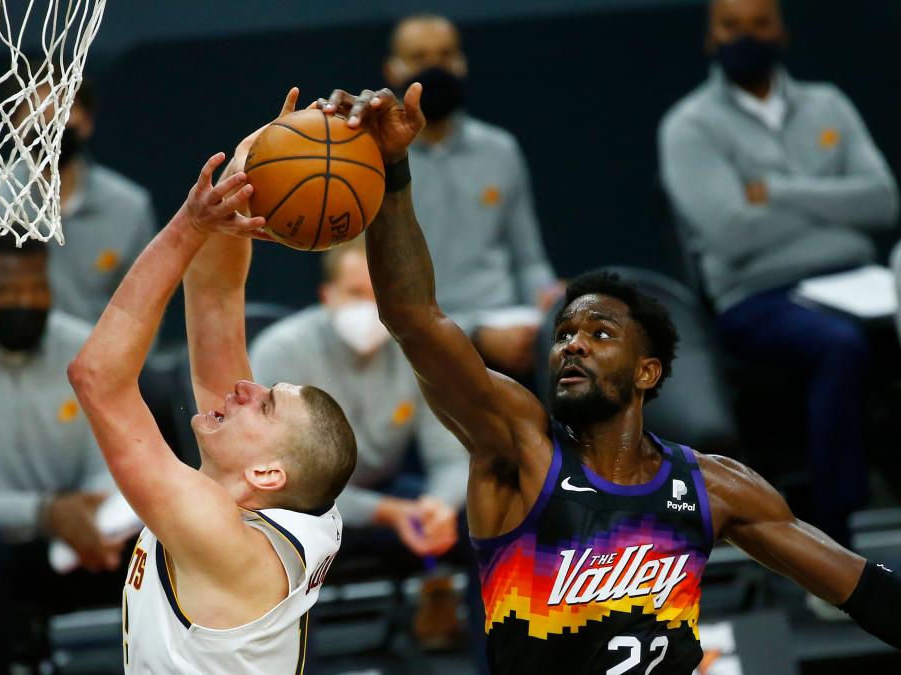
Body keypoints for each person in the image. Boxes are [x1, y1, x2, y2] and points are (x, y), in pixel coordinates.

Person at [315, 84, 901, 673]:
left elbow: (863, 590)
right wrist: (393, 170)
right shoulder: (518, 448)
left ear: (647, 372)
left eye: (599, 334)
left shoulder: (716, 487)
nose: (571, 343)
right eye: (564, 333)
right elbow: (414, 319)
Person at [67, 89, 357, 673]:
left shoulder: (221, 536)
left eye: (267, 405)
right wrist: (258, 169)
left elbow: (98, 377)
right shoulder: (282, 498)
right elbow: (218, 296)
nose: (248, 387)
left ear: (267, 473)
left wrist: (188, 225)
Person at [658, 0, 899, 545]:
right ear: (709, 38)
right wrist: (839, 217)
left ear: (782, 32)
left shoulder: (828, 104)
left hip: (859, 284)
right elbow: (729, 231)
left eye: (759, 23)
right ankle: (836, 539)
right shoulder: (689, 125)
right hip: (756, 298)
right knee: (839, 347)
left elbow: (883, 201)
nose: (746, 35)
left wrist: (780, 193)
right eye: (731, 26)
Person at [249, 237, 470, 647]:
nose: (369, 309)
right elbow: (283, 486)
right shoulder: (282, 351)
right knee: (280, 539)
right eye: (354, 294)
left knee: (484, 516)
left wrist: (439, 505)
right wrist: (387, 512)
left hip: (391, 493)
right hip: (299, 508)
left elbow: (453, 457)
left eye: (378, 295)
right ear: (326, 296)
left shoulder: (417, 348)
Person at [0, 237, 122, 675]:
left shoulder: (83, 347)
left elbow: (113, 462)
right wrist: (42, 512)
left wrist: (95, 520)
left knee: (160, 539)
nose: (24, 301)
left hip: (72, 541)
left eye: (35, 288)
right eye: (7, 291)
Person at [383, 14, 562, 379]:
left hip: (507, 322)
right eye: (419, 57)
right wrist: (476, 335)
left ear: (461, 63)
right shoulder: (373, 159)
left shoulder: (500, 149)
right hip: (412, 340)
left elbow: (529, 260)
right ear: (392, 70)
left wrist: (550, 298)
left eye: (446, 55)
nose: (436, 66)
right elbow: (364, 290)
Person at [0, 75, 157, 323]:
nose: (49, 124)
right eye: (37, 114)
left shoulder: (129, 208)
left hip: (97, 358)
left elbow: (143, 306)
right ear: (14, 125)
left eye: (62, 112)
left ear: (87, 122)